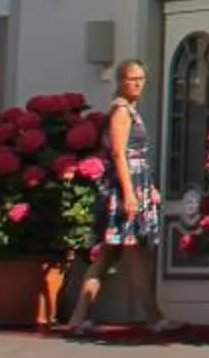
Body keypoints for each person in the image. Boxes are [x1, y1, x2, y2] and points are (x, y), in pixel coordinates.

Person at [63, 59, 178, 339]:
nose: (137, 84)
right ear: (120, 81)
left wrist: (147, 189)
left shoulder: (130, 111)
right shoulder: (121, 112)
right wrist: (129, 193)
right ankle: (155, 319)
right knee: (133, 254)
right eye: (131, 79)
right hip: (125, 189)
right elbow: (118, 154)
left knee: (106, 257)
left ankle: (78, 318)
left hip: (135, 184)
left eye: (141, 78)